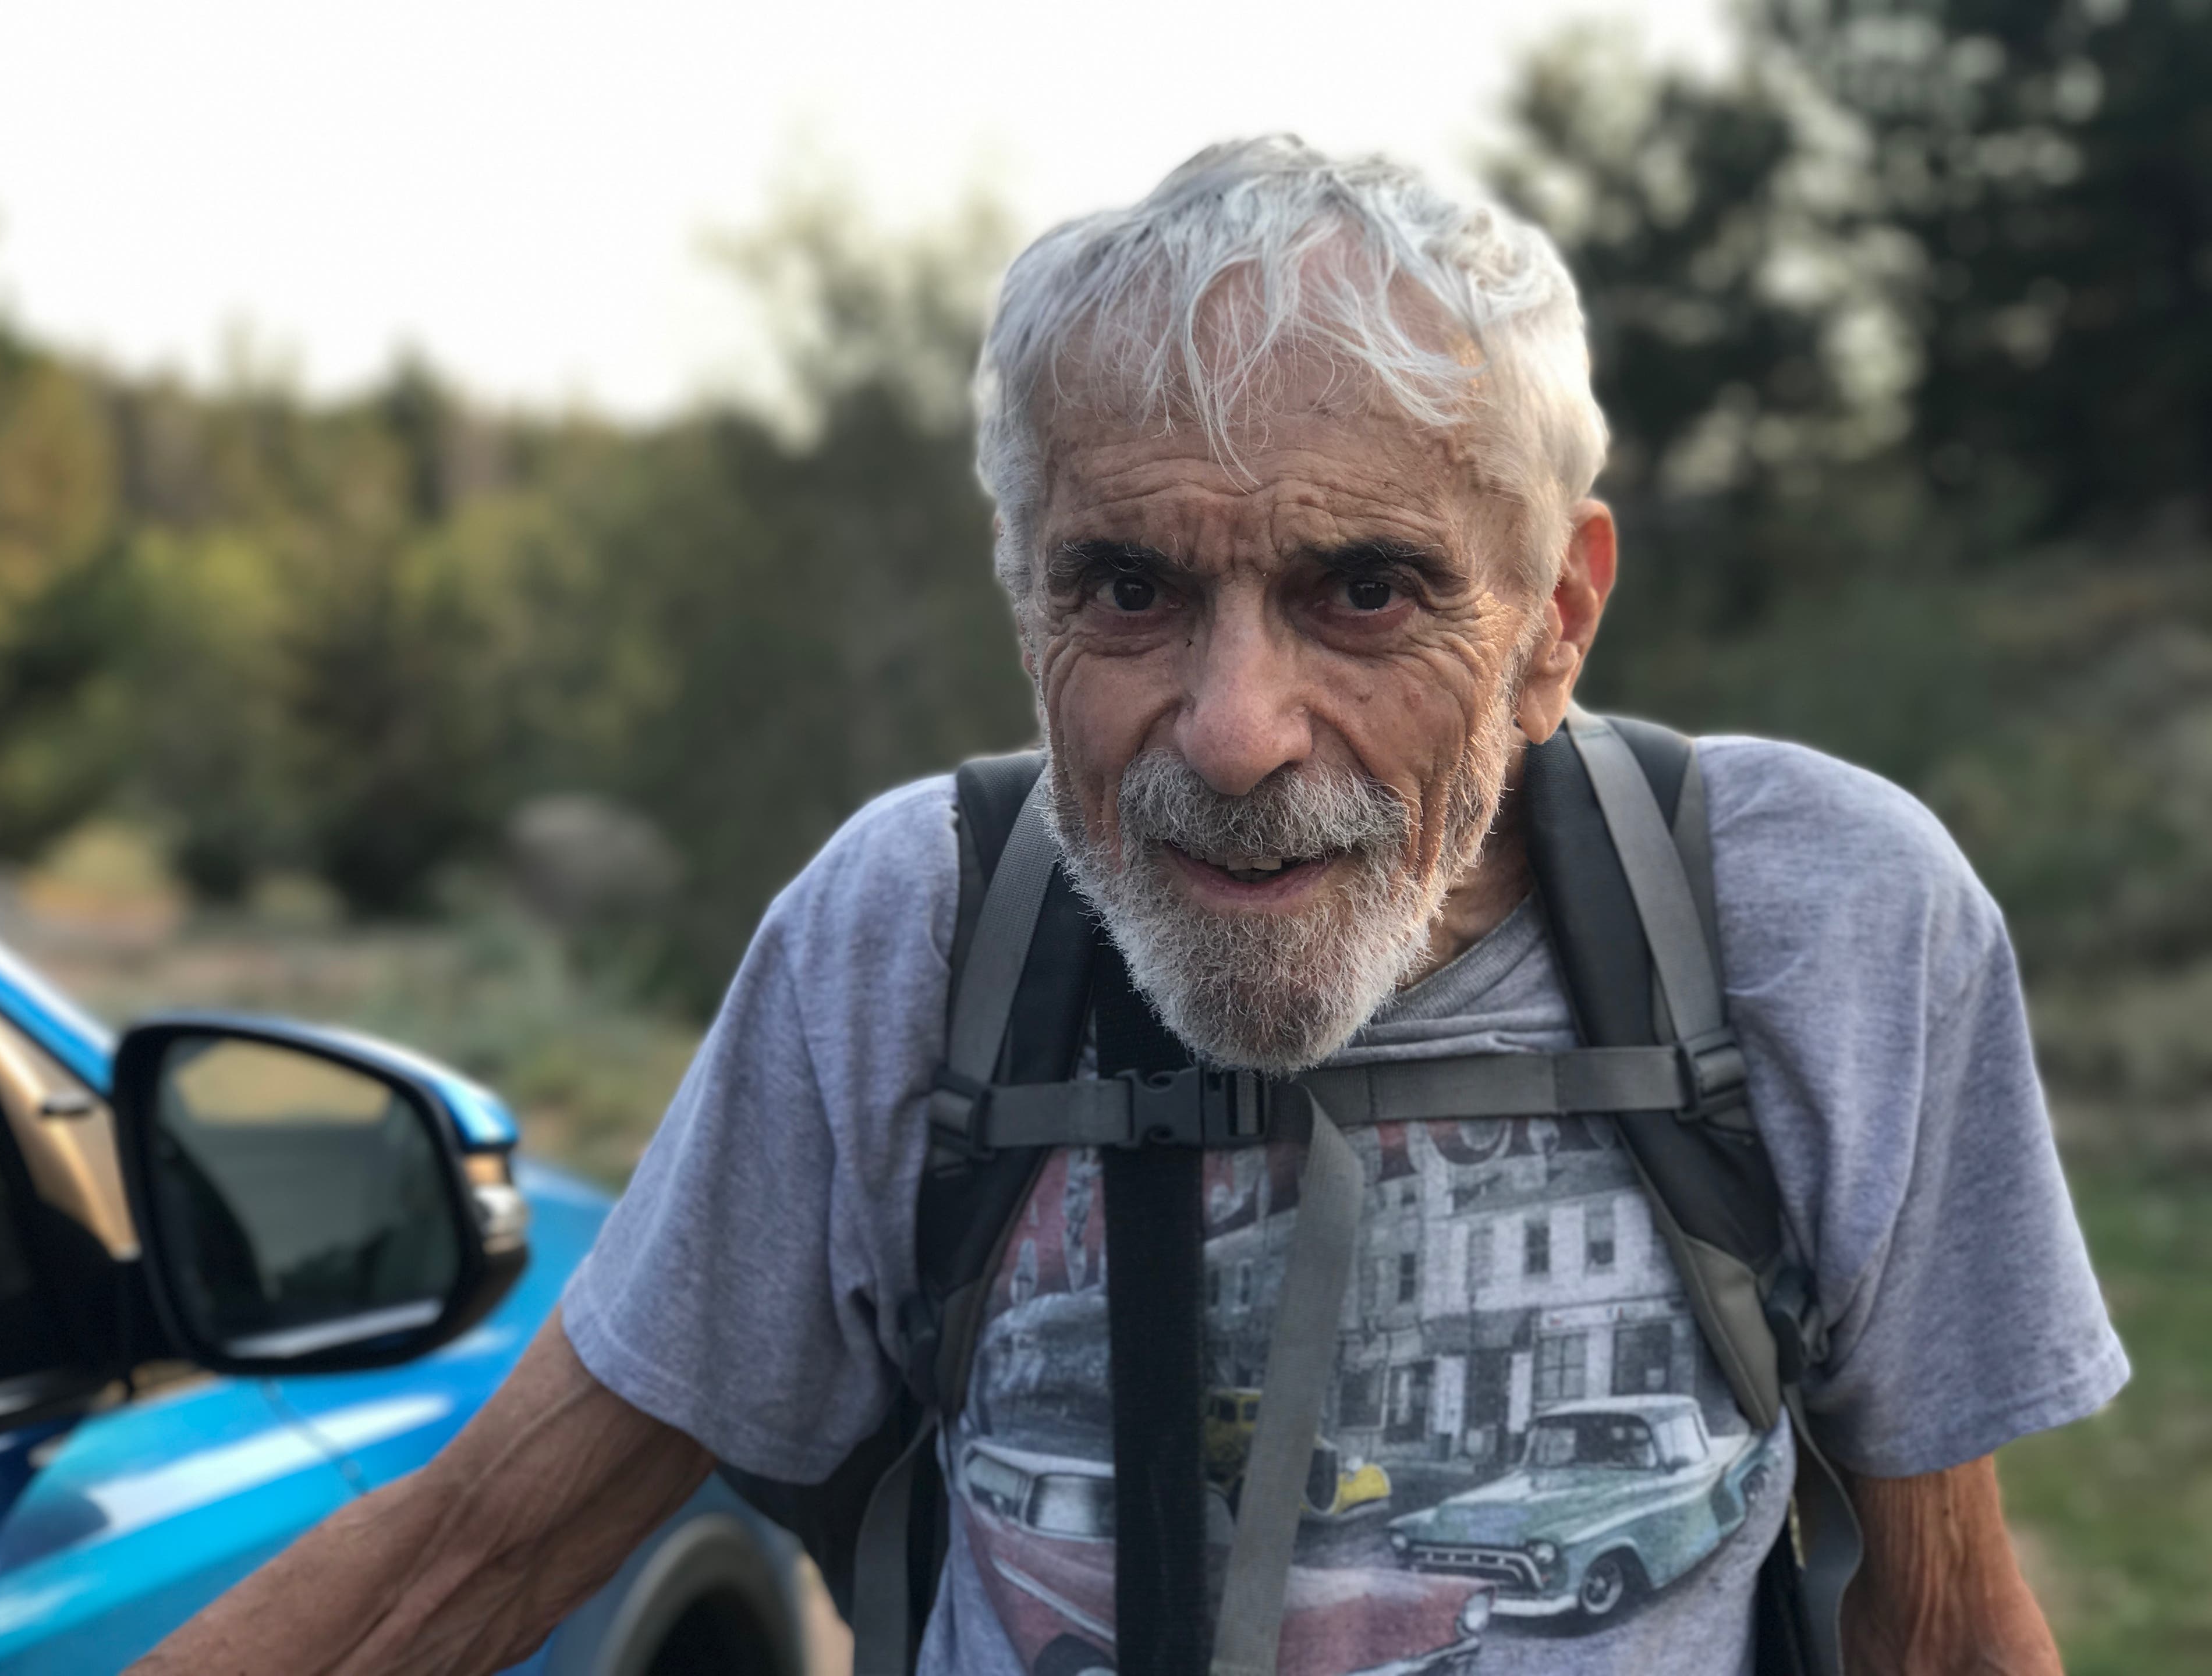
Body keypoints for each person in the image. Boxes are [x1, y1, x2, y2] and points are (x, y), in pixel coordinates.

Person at [133, 136, 2125, 1676]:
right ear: (1027, 614)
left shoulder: (1824, 920)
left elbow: (1939, 1620)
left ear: (1557, 623)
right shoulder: (906, 939)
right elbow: (474, 1557)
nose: (1237, 729)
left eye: (1366, 588)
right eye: (1128, 589)